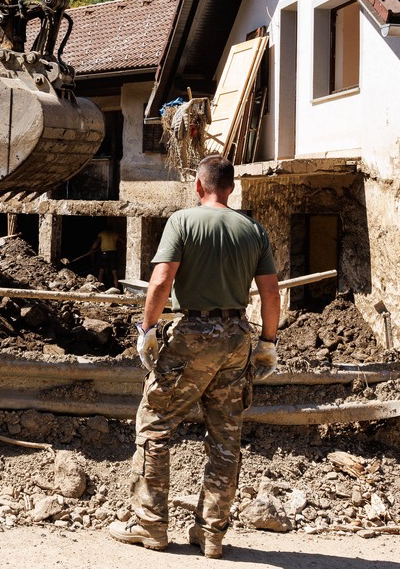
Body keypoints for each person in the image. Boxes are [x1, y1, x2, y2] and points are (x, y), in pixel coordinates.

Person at [108, 155, 280, 559]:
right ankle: (212, 533)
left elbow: (161, 280)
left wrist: (147, 331)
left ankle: (150, 525)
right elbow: (271, 294)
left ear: (198, 187)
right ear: (231, 188)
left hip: (193, 336)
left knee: (154, 425)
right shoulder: (253, 229)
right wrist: (268, 342)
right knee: (225, 436)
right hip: (237, 338)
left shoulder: (182, 222)